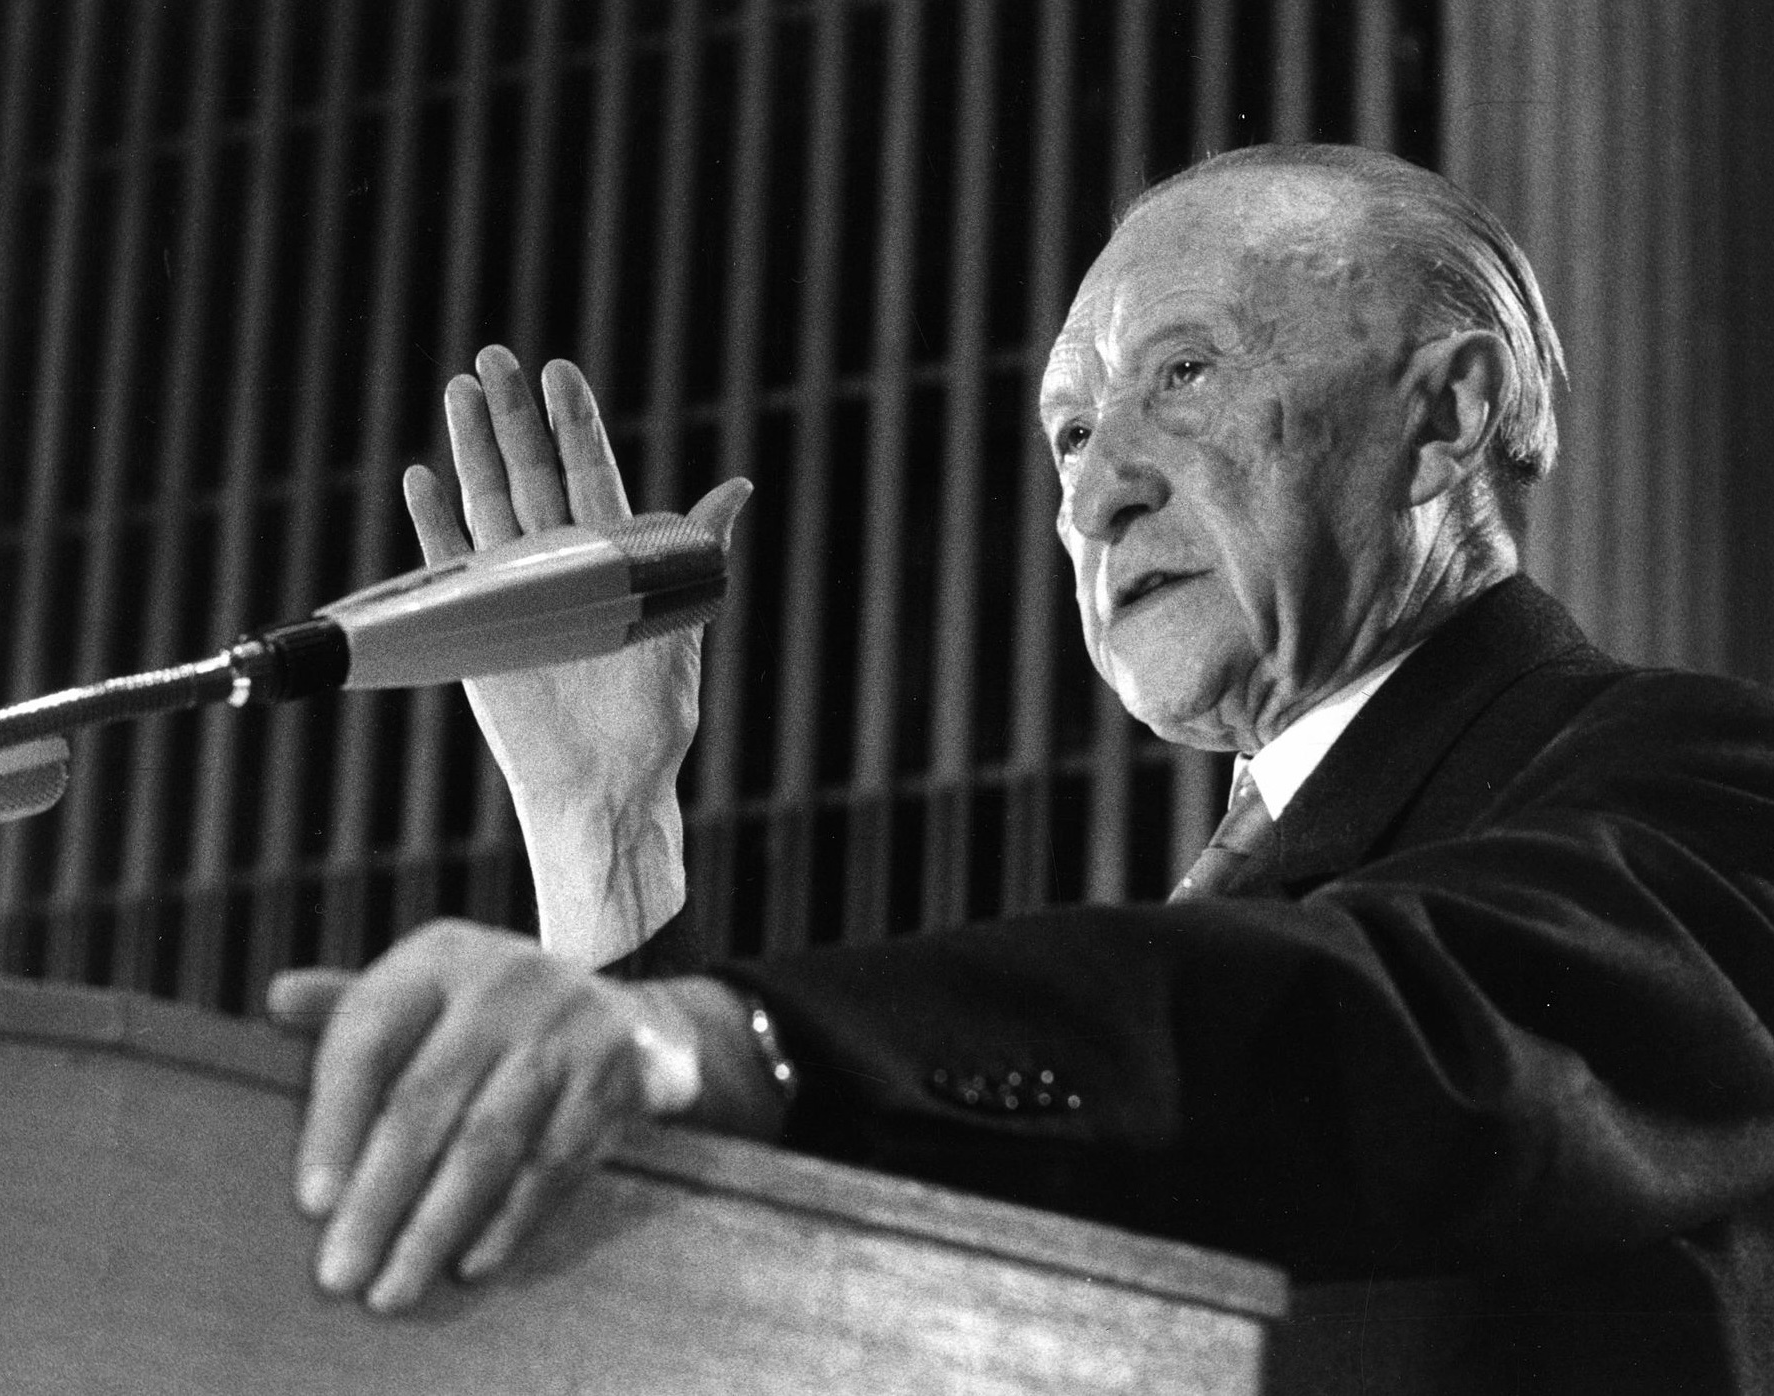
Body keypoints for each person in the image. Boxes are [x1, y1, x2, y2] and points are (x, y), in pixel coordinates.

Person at [267, 144, 1774, 1393]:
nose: (1094, 493)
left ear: (1443, 415)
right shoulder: (1208, 942)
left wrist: (742, 1044)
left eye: (1180, 373)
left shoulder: (1698, 776)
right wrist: (604, 833)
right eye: (1067, 432)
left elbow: (1371, 1039)